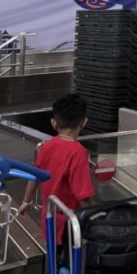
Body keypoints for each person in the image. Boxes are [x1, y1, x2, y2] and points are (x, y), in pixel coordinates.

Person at [19, 94, 95, 256]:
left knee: (54, 259)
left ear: (53, 122)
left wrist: (26, 201)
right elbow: (83, 196)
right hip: (70, 225)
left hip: (49, 220)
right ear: (84, 122)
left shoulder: (46, 146)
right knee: (70, 264)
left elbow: (35, 175)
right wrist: (96, 217)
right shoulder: (78, 153)